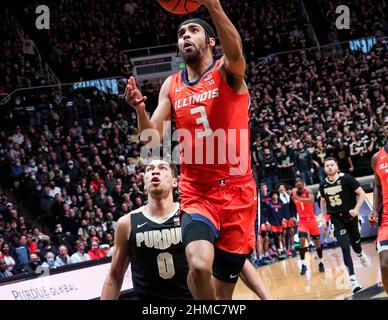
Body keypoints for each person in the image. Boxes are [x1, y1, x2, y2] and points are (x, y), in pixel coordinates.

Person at [124, 0, 257, 300]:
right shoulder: (171, 85)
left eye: (193, 30)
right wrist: (139, 110)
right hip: (197, 191)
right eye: (182, 31)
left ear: (210, 41)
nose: (185, 35)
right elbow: (150, 139)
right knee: (197, 266)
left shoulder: (227, 72)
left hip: (238, 193)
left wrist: (214, 6)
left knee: (223, 296)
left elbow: (235, 51)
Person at [101, 159, 271, 300]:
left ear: (176, 182)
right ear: (144, 184)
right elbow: (115, 275)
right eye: (150, 169)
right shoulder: (127, 223)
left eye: (162, 168)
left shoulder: (194, 217)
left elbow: (237, 261)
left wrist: (267, 298)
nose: (155, 172)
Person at [319, 157, 370, 293]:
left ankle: (359, 253)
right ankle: (353, 280)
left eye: (331, 165)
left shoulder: (347, 179)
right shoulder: (323, 184)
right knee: (345, 247)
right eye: (327, 165)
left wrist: (356, 210)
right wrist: (324, 219)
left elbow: (362, 194)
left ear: (337, 167)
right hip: (337, 220)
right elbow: (323, 202)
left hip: (351, 217)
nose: (329, 167)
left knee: (355, 243)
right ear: (324, 169)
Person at [369, 115, 388, 294]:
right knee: (384, 264)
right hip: (387, 220)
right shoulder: (377, 157)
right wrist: (375, 210)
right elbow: (377, 185)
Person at [292, 178, 325, 275]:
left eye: (300, 181)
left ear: (303, 183)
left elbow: (311, 200)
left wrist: (300, 199)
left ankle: (321, 262)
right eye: (296, 182)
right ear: (295, 185)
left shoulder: (308, 191)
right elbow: (291, 206)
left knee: (317, 243)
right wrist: (293, 216)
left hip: (312, 220)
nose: (298, 183)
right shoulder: (293, 195)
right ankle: (303, 265)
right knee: (302, 240)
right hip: (302, 222)